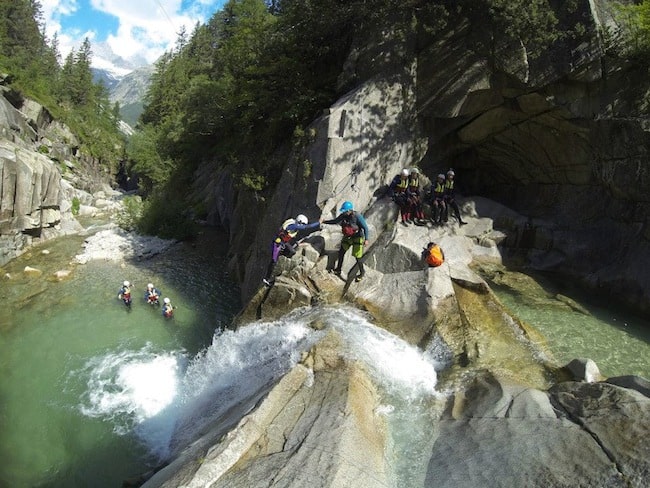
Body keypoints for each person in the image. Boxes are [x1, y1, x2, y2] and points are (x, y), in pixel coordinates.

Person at [263, 214, 322, 286]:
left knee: (292, 251)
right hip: (277, 242)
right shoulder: (293, 225)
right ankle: (267, 279)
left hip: (283, 242)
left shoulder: (294, 225)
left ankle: (281, 254)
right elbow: (307, 227)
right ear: (299, 222)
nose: (302, 226)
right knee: (274, 261)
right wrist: (318, 223)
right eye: (302, 224)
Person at [323, 201, 370, 282]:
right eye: (344, 211)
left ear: (350, 210)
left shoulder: (357, 216)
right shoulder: (344, 215)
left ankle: (362, 273)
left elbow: (365, 227)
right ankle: (338, 269)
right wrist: (324, 221)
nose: (344, 212)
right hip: (348, 237)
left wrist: (366, 239)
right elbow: (335, 221)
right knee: (341, 252)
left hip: (358, 237)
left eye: (346, 211)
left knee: (358, 257)